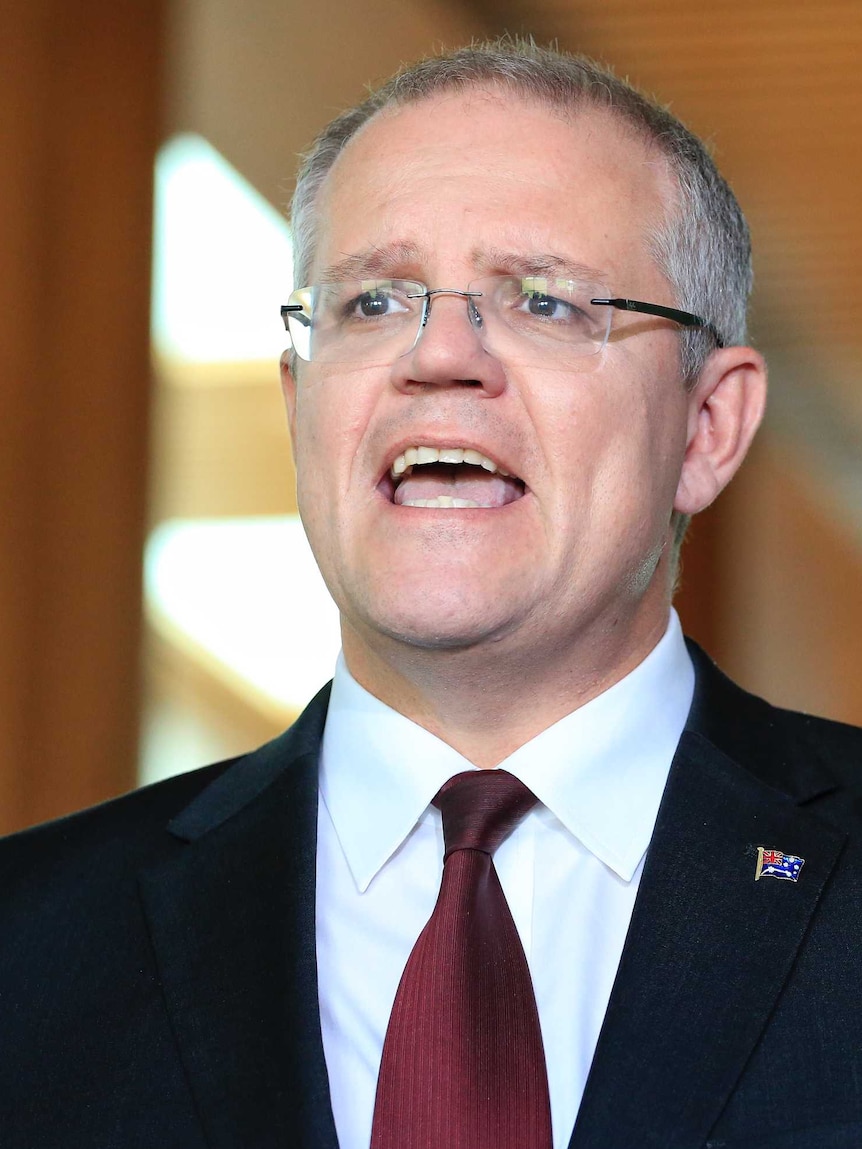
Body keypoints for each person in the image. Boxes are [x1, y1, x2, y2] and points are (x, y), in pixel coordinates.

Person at [1, 37, 860, 1149]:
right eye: (371, 302)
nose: (438, 355)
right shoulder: (28, 948)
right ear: (300, 400)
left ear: (706, 427)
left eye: (545, 302)